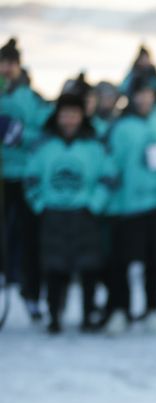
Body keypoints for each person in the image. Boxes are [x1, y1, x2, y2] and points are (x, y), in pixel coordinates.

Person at [23, 89, 113, 333]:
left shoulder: (94, 145)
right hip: (53, 213)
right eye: (65, 114)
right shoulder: (44, 145)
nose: (69, 119)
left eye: (74, 114)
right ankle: (54, 316)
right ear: (58, 116)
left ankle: (87, 316)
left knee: (89, 267)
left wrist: (95, 204)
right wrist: (40, 204)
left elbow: (108, 176)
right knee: (54, 267)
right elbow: (30, 178)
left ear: (82, 116)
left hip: (84, 213)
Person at [103, 74, 156, 333]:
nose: (144, 98)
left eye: (148, 93)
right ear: (131, 97)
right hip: (129, 206)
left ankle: (153, 311)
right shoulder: (121, 127)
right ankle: (121, 311)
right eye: (139, 93)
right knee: (122, 261)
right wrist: (109, 202)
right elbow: (111, 166)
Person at [0, 37, 51, 323]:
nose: (6, 69)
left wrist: (18, 134)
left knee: (30, 238)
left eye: (10, 64)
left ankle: (32, 293)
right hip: (1, 178)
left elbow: (46, 133)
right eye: (2, 63)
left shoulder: (33, 98)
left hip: (25, 178)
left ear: (19, 66)